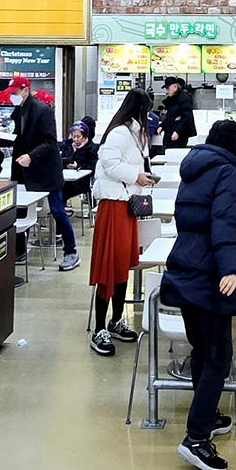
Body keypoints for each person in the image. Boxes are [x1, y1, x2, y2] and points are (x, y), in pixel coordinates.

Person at [160, 118, 236, 470]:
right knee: (218, 357)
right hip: (211, 275)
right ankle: (196, 438)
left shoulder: (195, 169)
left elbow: (203, 214)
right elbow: (222, 220)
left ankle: (209, 416)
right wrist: (231, 268)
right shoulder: (227, 171)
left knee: (202, 350)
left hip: (186, 269)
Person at [88, 91, 157, 356]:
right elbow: (109, 164)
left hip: (126, 206)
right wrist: (137, 176)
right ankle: (99, 329)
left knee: (121, 267)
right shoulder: (120, 133)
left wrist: (140, 176)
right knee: (108, 267)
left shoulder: (135, 133)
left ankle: (116, 320)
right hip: (114, 206)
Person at [6, 75, 77, 271]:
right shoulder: (20, 110)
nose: (12, 96)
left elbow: (50, 142)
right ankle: (19, 250)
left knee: (57, 210)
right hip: (23, 169)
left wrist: (31, 156)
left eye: (14, 92)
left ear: (25, 90)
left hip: (46, 171)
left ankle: (71, 252)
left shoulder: (42, 110)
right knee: (19, 210)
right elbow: (18, 137)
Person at [61, 118, 99, 207]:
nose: (75, 139)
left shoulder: (91, 148)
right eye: (73, 136)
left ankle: (61, 210)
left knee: (62, 190)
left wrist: (78, 166)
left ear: (85, 136)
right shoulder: (67, 146)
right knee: (54, 188)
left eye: (78, 137)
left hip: (80, 182)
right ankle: (60, 209)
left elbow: (92, 167)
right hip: (64, 178)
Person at [159, 77, 197, 149]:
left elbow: (187, 118)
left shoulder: (184, 99)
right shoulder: (171, 99)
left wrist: (178, 131)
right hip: (170, 132)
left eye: (168, 88)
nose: (167, 90)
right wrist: (162, 126)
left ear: (175, 87)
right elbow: (170, 116)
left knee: (175, 151)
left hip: (180, 135)